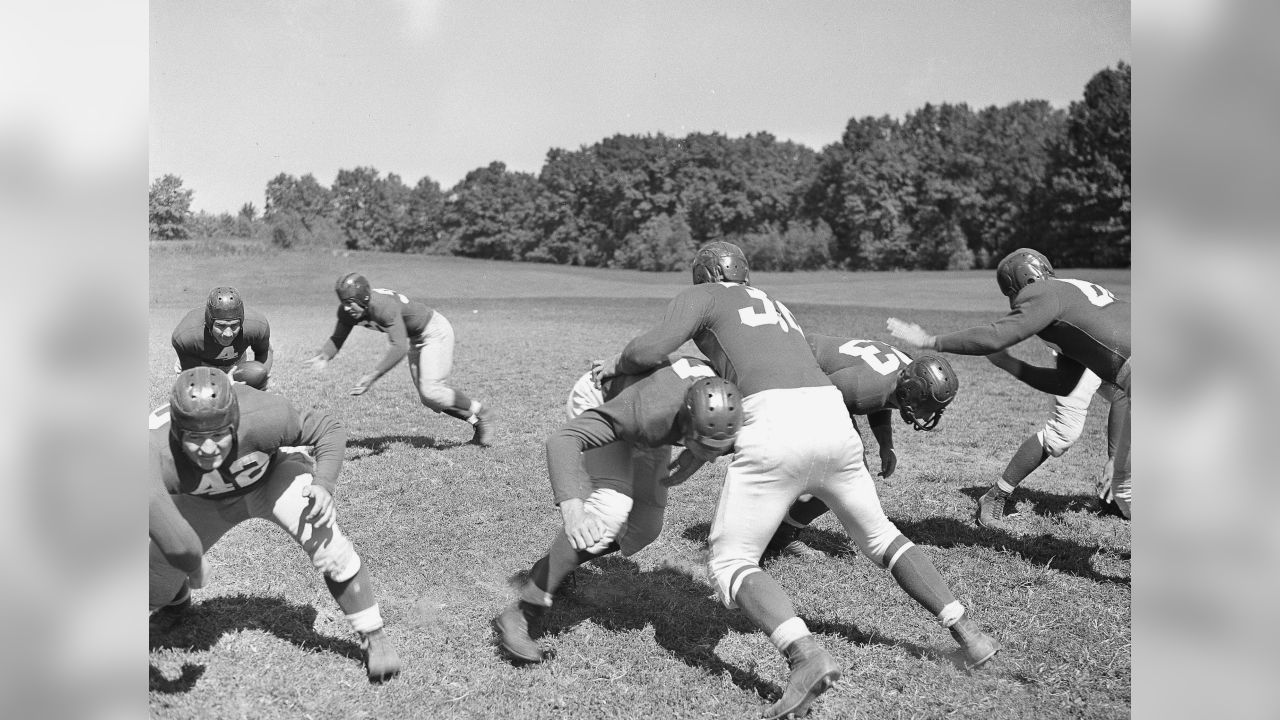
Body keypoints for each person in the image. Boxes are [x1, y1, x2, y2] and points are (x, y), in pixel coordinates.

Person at [595, 241, 999, 720]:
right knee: (883, 539)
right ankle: (968, 633)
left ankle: (805, 658)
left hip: (774, 420)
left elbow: (648, 349)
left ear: (703, 273)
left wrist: (616, 366)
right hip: (832, 418)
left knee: (730, 562)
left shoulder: (704, 295)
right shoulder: (774, 302)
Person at [148, 367, 401, 683]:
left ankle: (373, 634)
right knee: (155, 573)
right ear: (177, 433)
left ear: (236, 422)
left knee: (328, 543)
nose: (208, 449)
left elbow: (327, 428)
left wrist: (323, 483)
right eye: (195, 438)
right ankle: (177, 601)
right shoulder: (154, 453)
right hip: (203, 499)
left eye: (218, 434)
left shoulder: (264, 415)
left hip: (270, 480)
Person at [494, 360, 743, 663]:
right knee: (610, 510)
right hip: (603, 402)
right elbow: (563, 440)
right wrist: (573, 511)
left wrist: (700, 453)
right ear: (685, 422)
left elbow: (665, 359)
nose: (715, 459)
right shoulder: (646, 415)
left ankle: (550, 568)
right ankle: (522, 611)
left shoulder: (730, 400)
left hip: (651, 415)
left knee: (645, 527)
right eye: (706, 446)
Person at [887, 247, 1132, 520]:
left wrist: (931, 340)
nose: (1017, 302)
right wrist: (1007, 363)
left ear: (1023, 282)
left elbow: (996, 336)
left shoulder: (1041, 291)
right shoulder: (1070, 295)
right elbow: (1066, 383)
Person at [767, 335, 960, 557]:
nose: (927, 414)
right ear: (911, 390)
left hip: (819, 377)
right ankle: (778, 535)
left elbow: (884, 398)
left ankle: (780, 531)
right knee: (848, 474)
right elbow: (825, 397)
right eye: (927, 407)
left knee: (845, 473)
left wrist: (885, 444)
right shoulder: (862, 389)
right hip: (793, 373)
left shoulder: (903, 374)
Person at [303, 273, 494, 446]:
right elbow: (338, 337)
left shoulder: (383, 307)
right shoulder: (347, 311)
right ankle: (477, 423)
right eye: (343, 302)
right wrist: (325, 356)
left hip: (434, 331)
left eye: (350, 301)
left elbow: (399, 346)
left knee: (432, 391)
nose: (346, 307)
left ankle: (482, 411)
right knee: (431, 400)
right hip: (417, 338)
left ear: (364, 297)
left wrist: (372, 376)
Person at [980, 350, 1126, 527]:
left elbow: (1124, 395)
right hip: (1083, 349)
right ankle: (997, 495)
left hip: (1112, 350)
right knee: (1062, 434)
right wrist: (1114, 458)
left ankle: (1118, 497)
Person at [171, 286, 274, 384]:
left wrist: (261, 378)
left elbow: (264, 353)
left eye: (234, 326)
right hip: (201, 363)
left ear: (241, 322)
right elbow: (192, 377)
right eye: (221, 326)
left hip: (236, 364)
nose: (228, 333)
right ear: (209, 323)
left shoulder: (257, 326)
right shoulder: (187, 336)